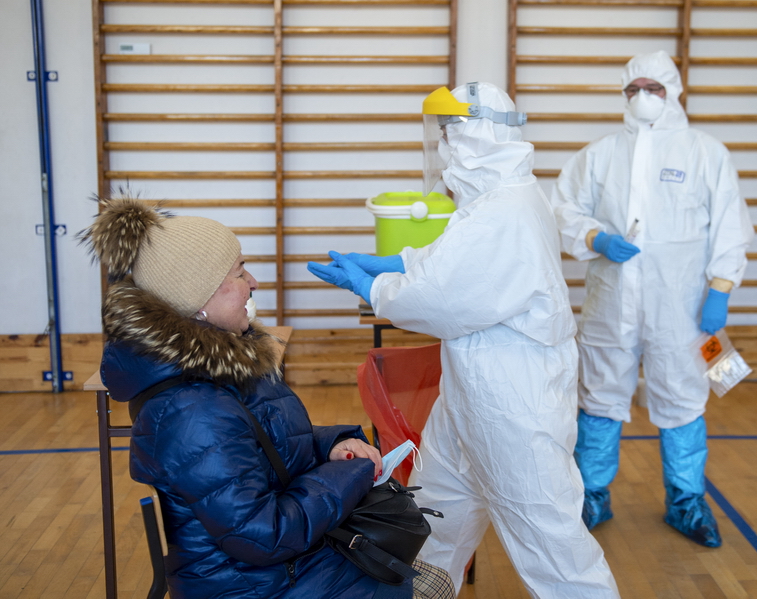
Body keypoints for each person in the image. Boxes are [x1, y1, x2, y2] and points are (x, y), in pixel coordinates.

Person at [308, 82, 620, 598]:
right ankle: (421, 592)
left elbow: (441, 299)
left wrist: (376, 286)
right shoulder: (496, 201)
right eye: (442, 130)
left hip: (515, 407)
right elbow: (452, 258)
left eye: (453, 129)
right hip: (474, 396)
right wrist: (398, 262)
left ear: (482, 133)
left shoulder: (506, 212)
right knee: (433, 517)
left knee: (552, 546)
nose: (445, 142)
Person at [79, 196, 454, 599]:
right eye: (240, 270)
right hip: (256, 584)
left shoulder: (225, 366)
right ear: (199, 298)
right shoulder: (192, 411)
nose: (252, 282)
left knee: (431, 579)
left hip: (285, 568)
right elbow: (264, 536)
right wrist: (352, 474)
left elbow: (270, 442)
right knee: (430, 586)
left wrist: (336, 444)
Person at [550, 51, 754, 548]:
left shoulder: (706, 153)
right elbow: (562, 206)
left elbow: (731, 225)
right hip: (610, 305)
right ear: (624, 94)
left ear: (673, 91)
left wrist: (721, 290)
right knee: (599, 399)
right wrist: (595, 236)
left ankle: (686, 502)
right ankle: (592, 496)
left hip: (681, 310)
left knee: (684, 400)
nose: (643, 96)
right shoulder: (599, 154)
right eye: (634, 88)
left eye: (654, 87)